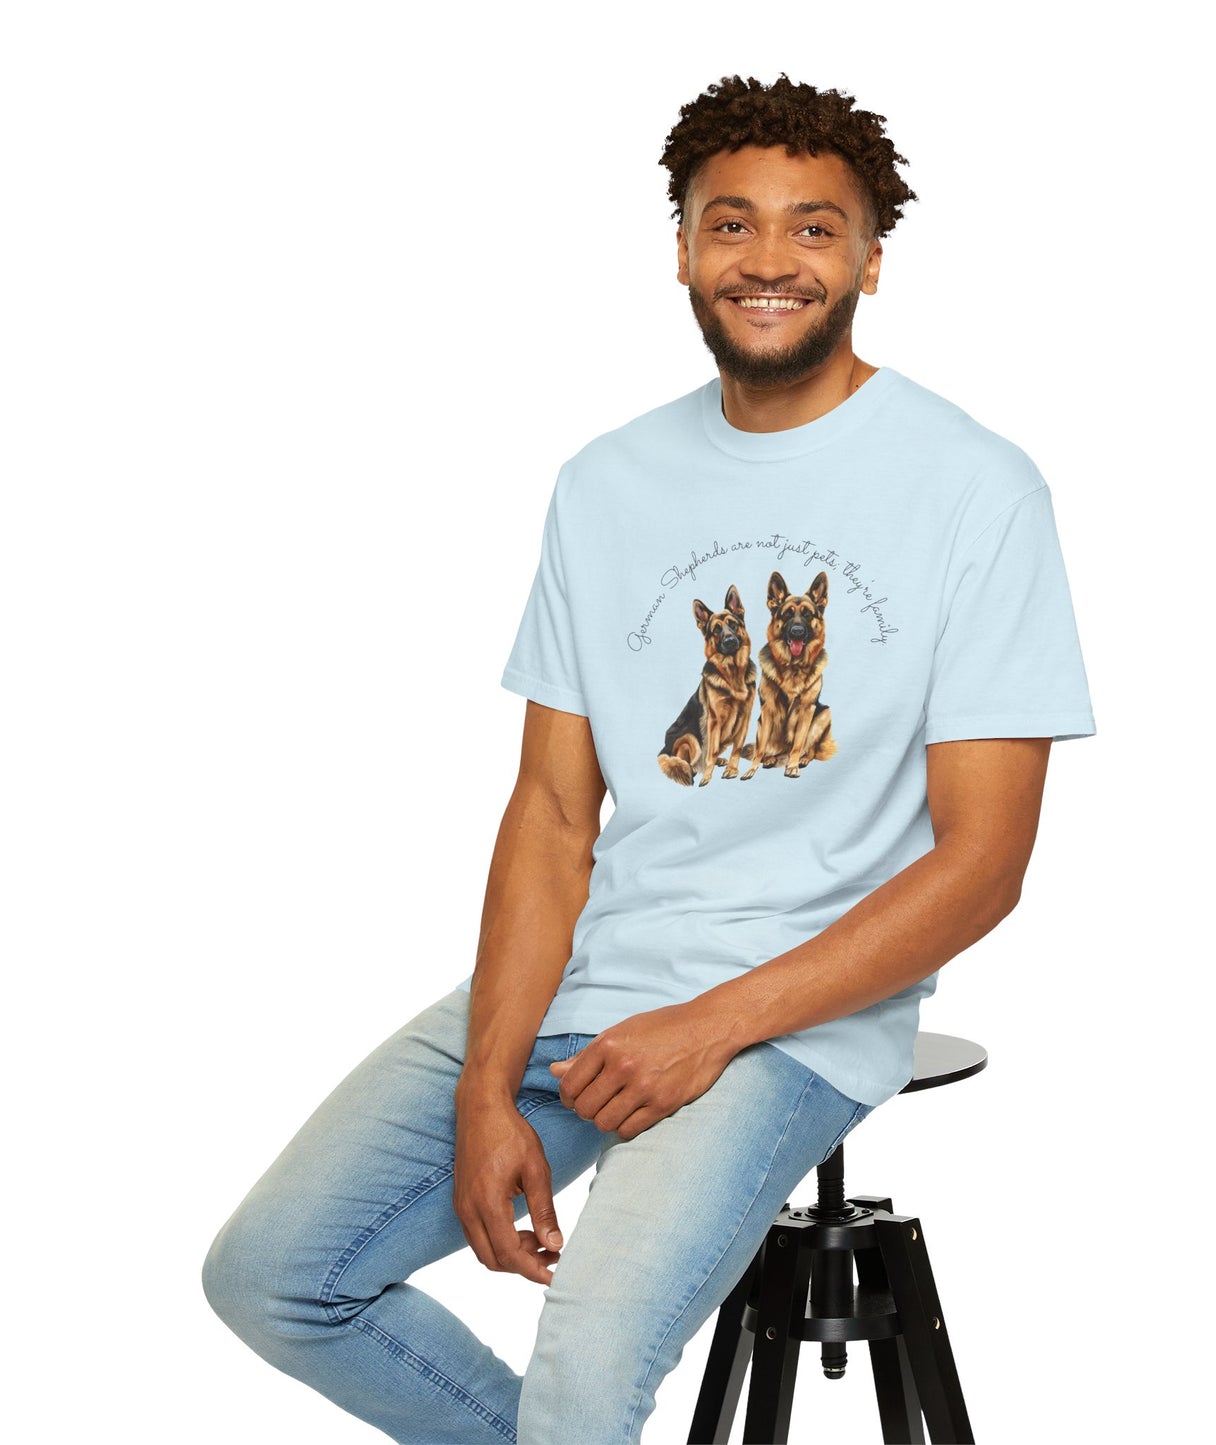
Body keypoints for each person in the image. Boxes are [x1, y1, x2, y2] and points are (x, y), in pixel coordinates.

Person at [201, 73, 1096, 1444]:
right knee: (276, 1275)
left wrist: (711, 1025)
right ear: (682, 249)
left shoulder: (975, 486)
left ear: (869, 261)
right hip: (594, 979)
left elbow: (983, 865)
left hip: (797, 1012)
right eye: (731, 224)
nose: (768, 259)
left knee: (585, 1377)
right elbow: (553, 815)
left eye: (813, 228)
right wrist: (487, 1082)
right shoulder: (605, 482)